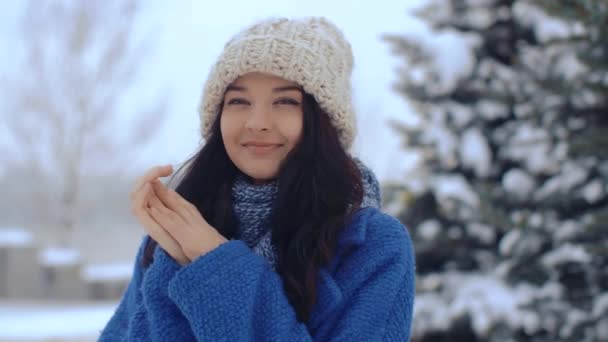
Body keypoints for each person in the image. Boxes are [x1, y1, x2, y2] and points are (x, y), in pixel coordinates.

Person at [99, 16, 415, 341]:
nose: (257, 122)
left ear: (325, 121)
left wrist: (215, 264)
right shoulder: (173, 236)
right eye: (238, 101)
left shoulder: (373, 245)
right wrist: (179, 260)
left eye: (285, 102)